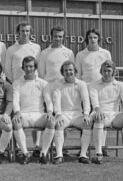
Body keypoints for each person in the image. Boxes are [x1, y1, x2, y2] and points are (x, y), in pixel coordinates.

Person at [89, 60, 123, 164]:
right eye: (104, 71)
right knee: (99, 117)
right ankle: (99, 154)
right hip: (99, 113)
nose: (106, 73)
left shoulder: (120, 85)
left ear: (113, 72)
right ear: (101, 71)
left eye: (108, 71)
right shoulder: (93, 84)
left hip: (114, 115)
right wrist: (98, 110)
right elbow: (94, 101)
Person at [38, 26, 75, 157]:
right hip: (48, 88)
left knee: (61, 117)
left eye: (60, 36)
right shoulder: (44, 53)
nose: (57, 39)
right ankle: (44, 148)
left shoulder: (69, 53)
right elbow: (41, 73)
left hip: (63, 88)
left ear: (63, 37)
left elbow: (72, 72)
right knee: (48, 118)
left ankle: (61, 148)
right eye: (55, 36)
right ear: (51, 37)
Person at [5, 21, 42, 153]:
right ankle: (18, 148)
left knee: (35, 112)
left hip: (32, 85)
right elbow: (7, 68)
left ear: (30, 32)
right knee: (17, 115)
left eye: (27, 31)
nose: (25, 33)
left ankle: (37, 145)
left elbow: (38, 66)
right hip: (17, 85)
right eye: (22, 31)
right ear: (18, 32)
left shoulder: (36, 47)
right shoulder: (11, 49)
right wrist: (15, 81)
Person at [11, 56, 55, 165]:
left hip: (39, 115)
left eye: (31, 66)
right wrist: (17, 113)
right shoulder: (17, 83)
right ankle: (25, 154)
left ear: (35, 67)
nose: (28, 69)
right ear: (23, 68)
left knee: (52, 121)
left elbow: (48, 101)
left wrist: (49, 112)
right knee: (16, 122)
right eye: (26, 66)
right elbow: (15, 101)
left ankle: (43, 154)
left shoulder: (43, 83)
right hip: (24, 115)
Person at [76, 29, 112, 156]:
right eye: (90, 37)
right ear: (87, 39)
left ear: (98, 39)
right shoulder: (80, 55)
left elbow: (110, 69)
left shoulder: (106, 53)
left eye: (95, 37)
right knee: (86, 119)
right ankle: (83, 148)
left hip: (101, 89)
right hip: (86, 90)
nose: (92, 40)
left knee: (101, 116)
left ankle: (102, 147)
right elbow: (78, 74)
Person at [48, 61, 92, 164]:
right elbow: (56, 101)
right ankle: (59, 155)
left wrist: (86, 114)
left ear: (75, 71)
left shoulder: (82, 84)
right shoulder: (57, 84)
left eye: (70, 70)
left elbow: (86, 101)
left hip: (77, 114)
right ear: (62, 72)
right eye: (66, 70)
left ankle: (83, 155)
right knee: (58, 124)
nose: (68, 72)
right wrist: (58, 115)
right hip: (64, 114)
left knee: (87, 124)